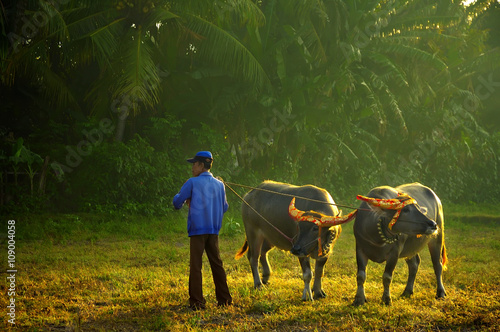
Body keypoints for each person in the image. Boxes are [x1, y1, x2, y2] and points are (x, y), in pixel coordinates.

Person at [172, 151, 232, 310]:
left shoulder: (192, 182)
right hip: (213, 230)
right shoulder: (220, 185)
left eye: (194, 164)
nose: (192, 168)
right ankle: (224, 299)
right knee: (217, 264)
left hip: (197, 231)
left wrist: (184, 199)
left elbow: (177, 202)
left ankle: (197, 302)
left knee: (196, 265)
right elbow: (225, 207)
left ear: (200, 165)